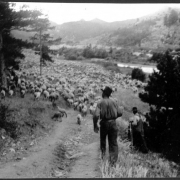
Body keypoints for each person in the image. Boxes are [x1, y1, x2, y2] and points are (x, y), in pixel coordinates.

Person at [93, 86, 123, 166]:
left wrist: (95, 126)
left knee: (103, 141)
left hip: (104, 123)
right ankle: (112, 163)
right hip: (113, 123)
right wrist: (113, 118)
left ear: (104, 93)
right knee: (113, 142)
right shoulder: (114, 101)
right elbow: (120, 113)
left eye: (102, 92)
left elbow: (96, 115)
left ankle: (103, 159)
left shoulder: (100, 102)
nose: (101, 93)